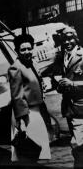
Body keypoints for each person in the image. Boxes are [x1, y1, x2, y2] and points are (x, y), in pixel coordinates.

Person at [9, 34, 51, 163]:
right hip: (27, 114)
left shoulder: (32, 63)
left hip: (37, 111)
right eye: (23, 49)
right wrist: (21, 122)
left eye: (29, 48)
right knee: (32, 151)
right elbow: (17, 97)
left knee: (40, 150)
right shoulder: (15, 68)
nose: (27, 52)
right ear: (17, 51)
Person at [56, 26, 83, 168]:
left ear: (76, 39)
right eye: (64, 39)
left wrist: (72, 84)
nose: (67, 42)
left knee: (77, 145)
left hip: (80, 108)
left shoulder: (82, 55)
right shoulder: (63, 57)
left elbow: (71, 82)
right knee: (77, 146)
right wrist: (60, 86)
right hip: (69, 109)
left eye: (70, 38)